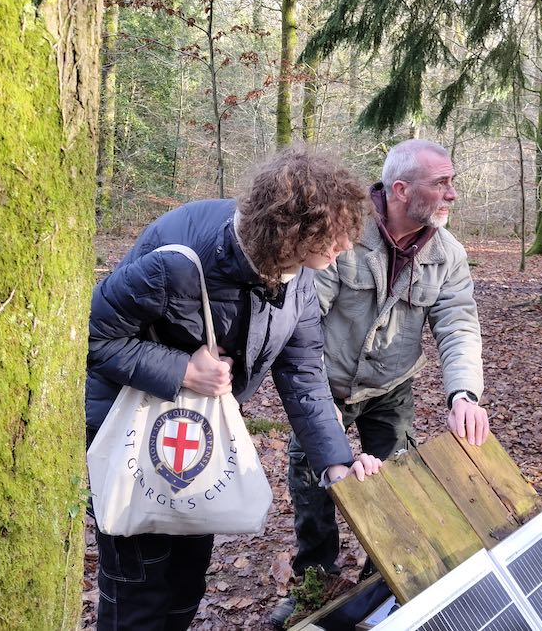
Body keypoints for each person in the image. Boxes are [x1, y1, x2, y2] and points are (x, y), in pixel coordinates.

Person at [85, 146, 383, 631]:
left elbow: (304, 376)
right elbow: (94, 336)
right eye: (333, 237)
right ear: (291, 230)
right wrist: (182, 370)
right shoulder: (180, 263)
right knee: (139, 590)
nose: (344, 248)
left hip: (196, 441)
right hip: (131, 439)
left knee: (186, 582)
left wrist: (337, 464)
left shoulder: (296, 278)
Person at [272, 139, 487, 624]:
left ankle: (380, 590)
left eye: (452, 182)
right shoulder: (343, 235)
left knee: (393, 488)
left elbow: (458, 323)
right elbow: (305, 317)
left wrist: (464, 393)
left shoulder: (448, 255)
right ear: (400, 189)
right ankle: (313, 583)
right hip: (325, 384)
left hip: (392, 390)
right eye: (442, 184)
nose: (453, 194)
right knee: (314, 487)